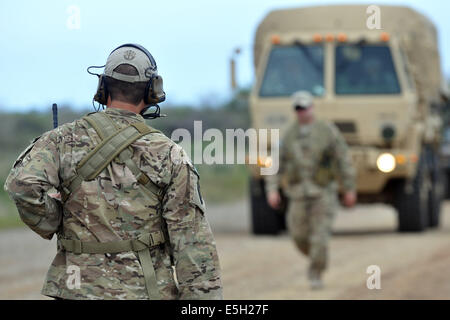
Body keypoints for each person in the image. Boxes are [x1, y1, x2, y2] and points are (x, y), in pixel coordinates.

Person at [4, 44, 223, 300]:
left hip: (75, 289)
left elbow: (21, 186)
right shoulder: (169, 154)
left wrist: (54, 219)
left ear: (102, 88)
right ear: (153, 91)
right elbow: (192, 244)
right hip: (145, 292)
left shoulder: (62, 139)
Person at [266, 91, 356, 290]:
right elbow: (275, 165)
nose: (302, 111)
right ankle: (318, 255)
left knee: (320, 236)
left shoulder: (327, 131)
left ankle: (316, 272)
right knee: (298, 235)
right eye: (298, 108)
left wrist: (349, 188)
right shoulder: (288, 134)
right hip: (298, 193)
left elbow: (343, 160)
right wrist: (272, 190)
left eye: (305, 107)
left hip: (323, 192)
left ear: (312, 107)